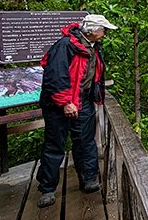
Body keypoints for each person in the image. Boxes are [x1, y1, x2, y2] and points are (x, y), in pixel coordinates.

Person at [36, 14, 117, 208]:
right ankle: (47, 189)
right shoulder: (65, 46)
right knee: (55, 145)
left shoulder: (93, 47)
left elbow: (93, 74)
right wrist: (65, 103)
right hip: (59, 103)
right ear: (92, 30)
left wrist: (95, 94)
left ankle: (89, 178)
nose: (104, 33)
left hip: (84, 100)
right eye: (103, 29)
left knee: (85, 140)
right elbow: (55, 76)